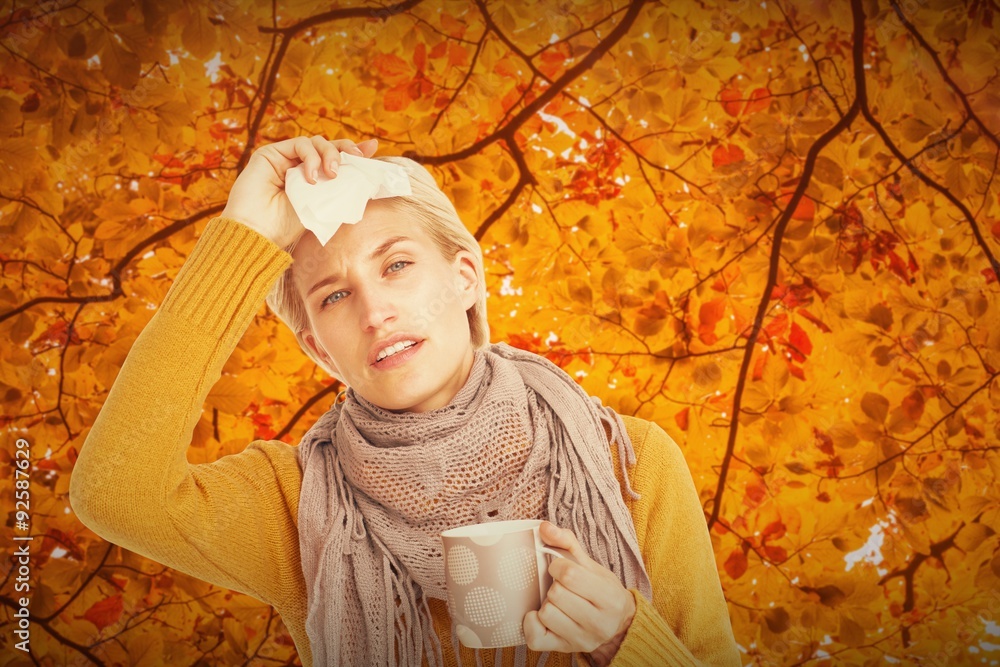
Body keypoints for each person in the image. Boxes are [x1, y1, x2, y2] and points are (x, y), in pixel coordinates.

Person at [70, 136, 742, 667]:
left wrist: (625, 637)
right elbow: (116, 491)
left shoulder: (630, 462)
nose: (375, 310)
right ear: (317, 349)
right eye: (334, 295)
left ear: (465, 278)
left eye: (396, 265)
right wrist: (243, 233)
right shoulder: (294, 502)